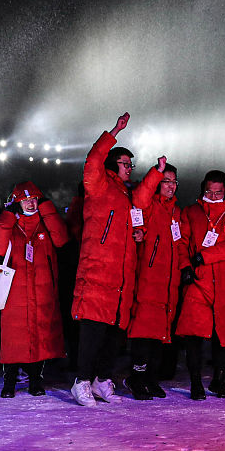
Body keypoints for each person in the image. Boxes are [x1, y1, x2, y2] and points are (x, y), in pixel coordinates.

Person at [70, 113, 138, 407]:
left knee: (113, 332)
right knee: (93, 331)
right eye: (125, 163)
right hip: (98, 270)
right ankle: (81, 381)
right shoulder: (98, 184)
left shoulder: (126, 194)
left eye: (131, 164)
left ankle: (102, 380)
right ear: (112, 164)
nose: (129, 168)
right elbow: (92, 159)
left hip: (120, 275)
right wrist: (114, 131)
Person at [0, 182, 69, 397]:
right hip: (13, 291)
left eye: (34, 199)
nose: (31, 203)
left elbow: (62, 240)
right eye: (25, 200)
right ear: (17, 203)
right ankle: (9, 382)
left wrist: (48, 210)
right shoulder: (10, 225)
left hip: (43, 290)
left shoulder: (46, 224)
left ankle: (36, 380)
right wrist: (7, 217)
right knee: (13, 338)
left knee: (40, 337)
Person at [175, 169, 225, 399]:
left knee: (223, 336)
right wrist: (186, 266)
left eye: (218, 192)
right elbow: (181, 241)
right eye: (209, 192)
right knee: (193, 335)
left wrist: (204, 256)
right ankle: (196, 382)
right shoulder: (191, 212)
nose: (213, 196)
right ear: (203, 190)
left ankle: (218, 380)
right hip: (198, 282)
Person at [124, 157, 185, 400]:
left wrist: (183, 267)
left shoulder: (176, 212)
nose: (170, 186)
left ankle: (151, 378)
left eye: (174, 182)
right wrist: (156, 171)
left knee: (161, 335)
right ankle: (136, 378)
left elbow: (180, 244)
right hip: (148, 280)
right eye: (166, 181)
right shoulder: (148, 205)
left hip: (169, 283)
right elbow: (139, 199)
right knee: (142, 333)